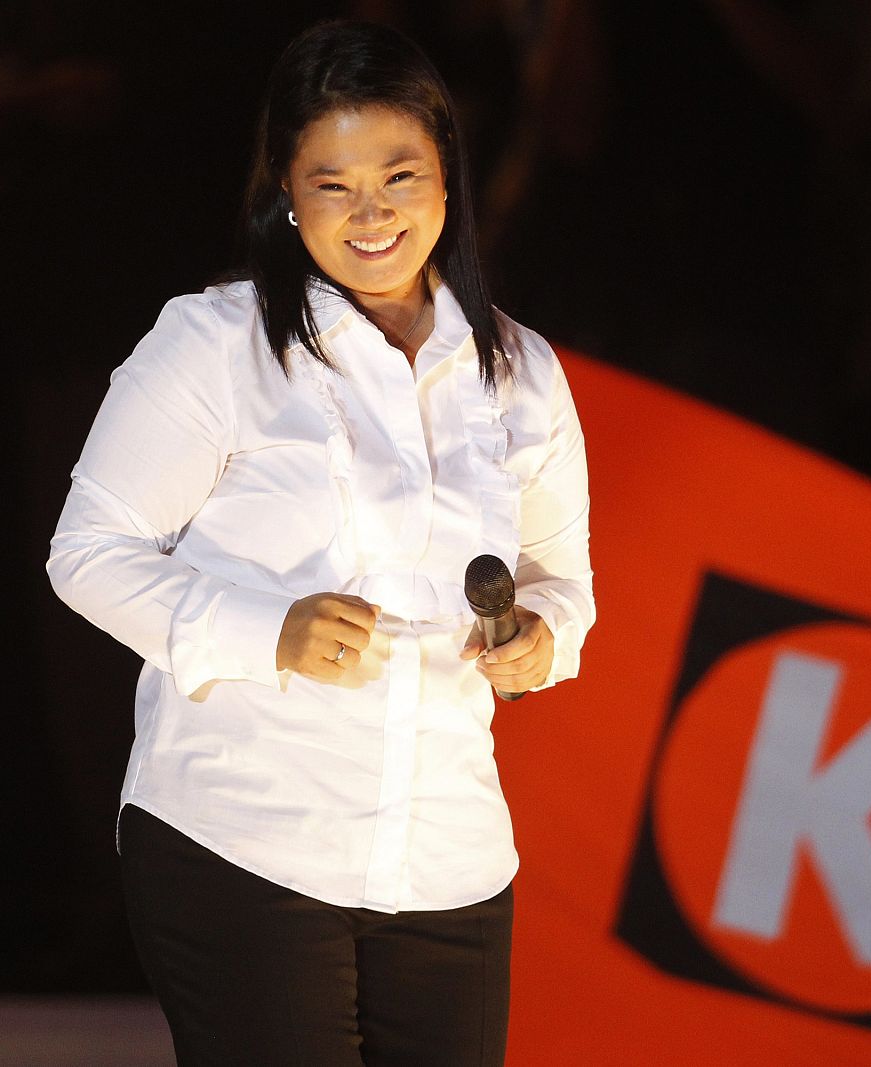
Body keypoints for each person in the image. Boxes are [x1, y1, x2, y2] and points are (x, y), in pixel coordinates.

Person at [46, 19, 593, 1067]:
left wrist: (539, 638)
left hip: (448, 861)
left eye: (400, 173)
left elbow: (560, 582)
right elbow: (86, 553)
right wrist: (269, 631)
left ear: (447, 178)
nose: (373, 210)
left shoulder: (521, 369)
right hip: (245, 841)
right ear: (285, 192)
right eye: (333, 183)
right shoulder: (213, 345)